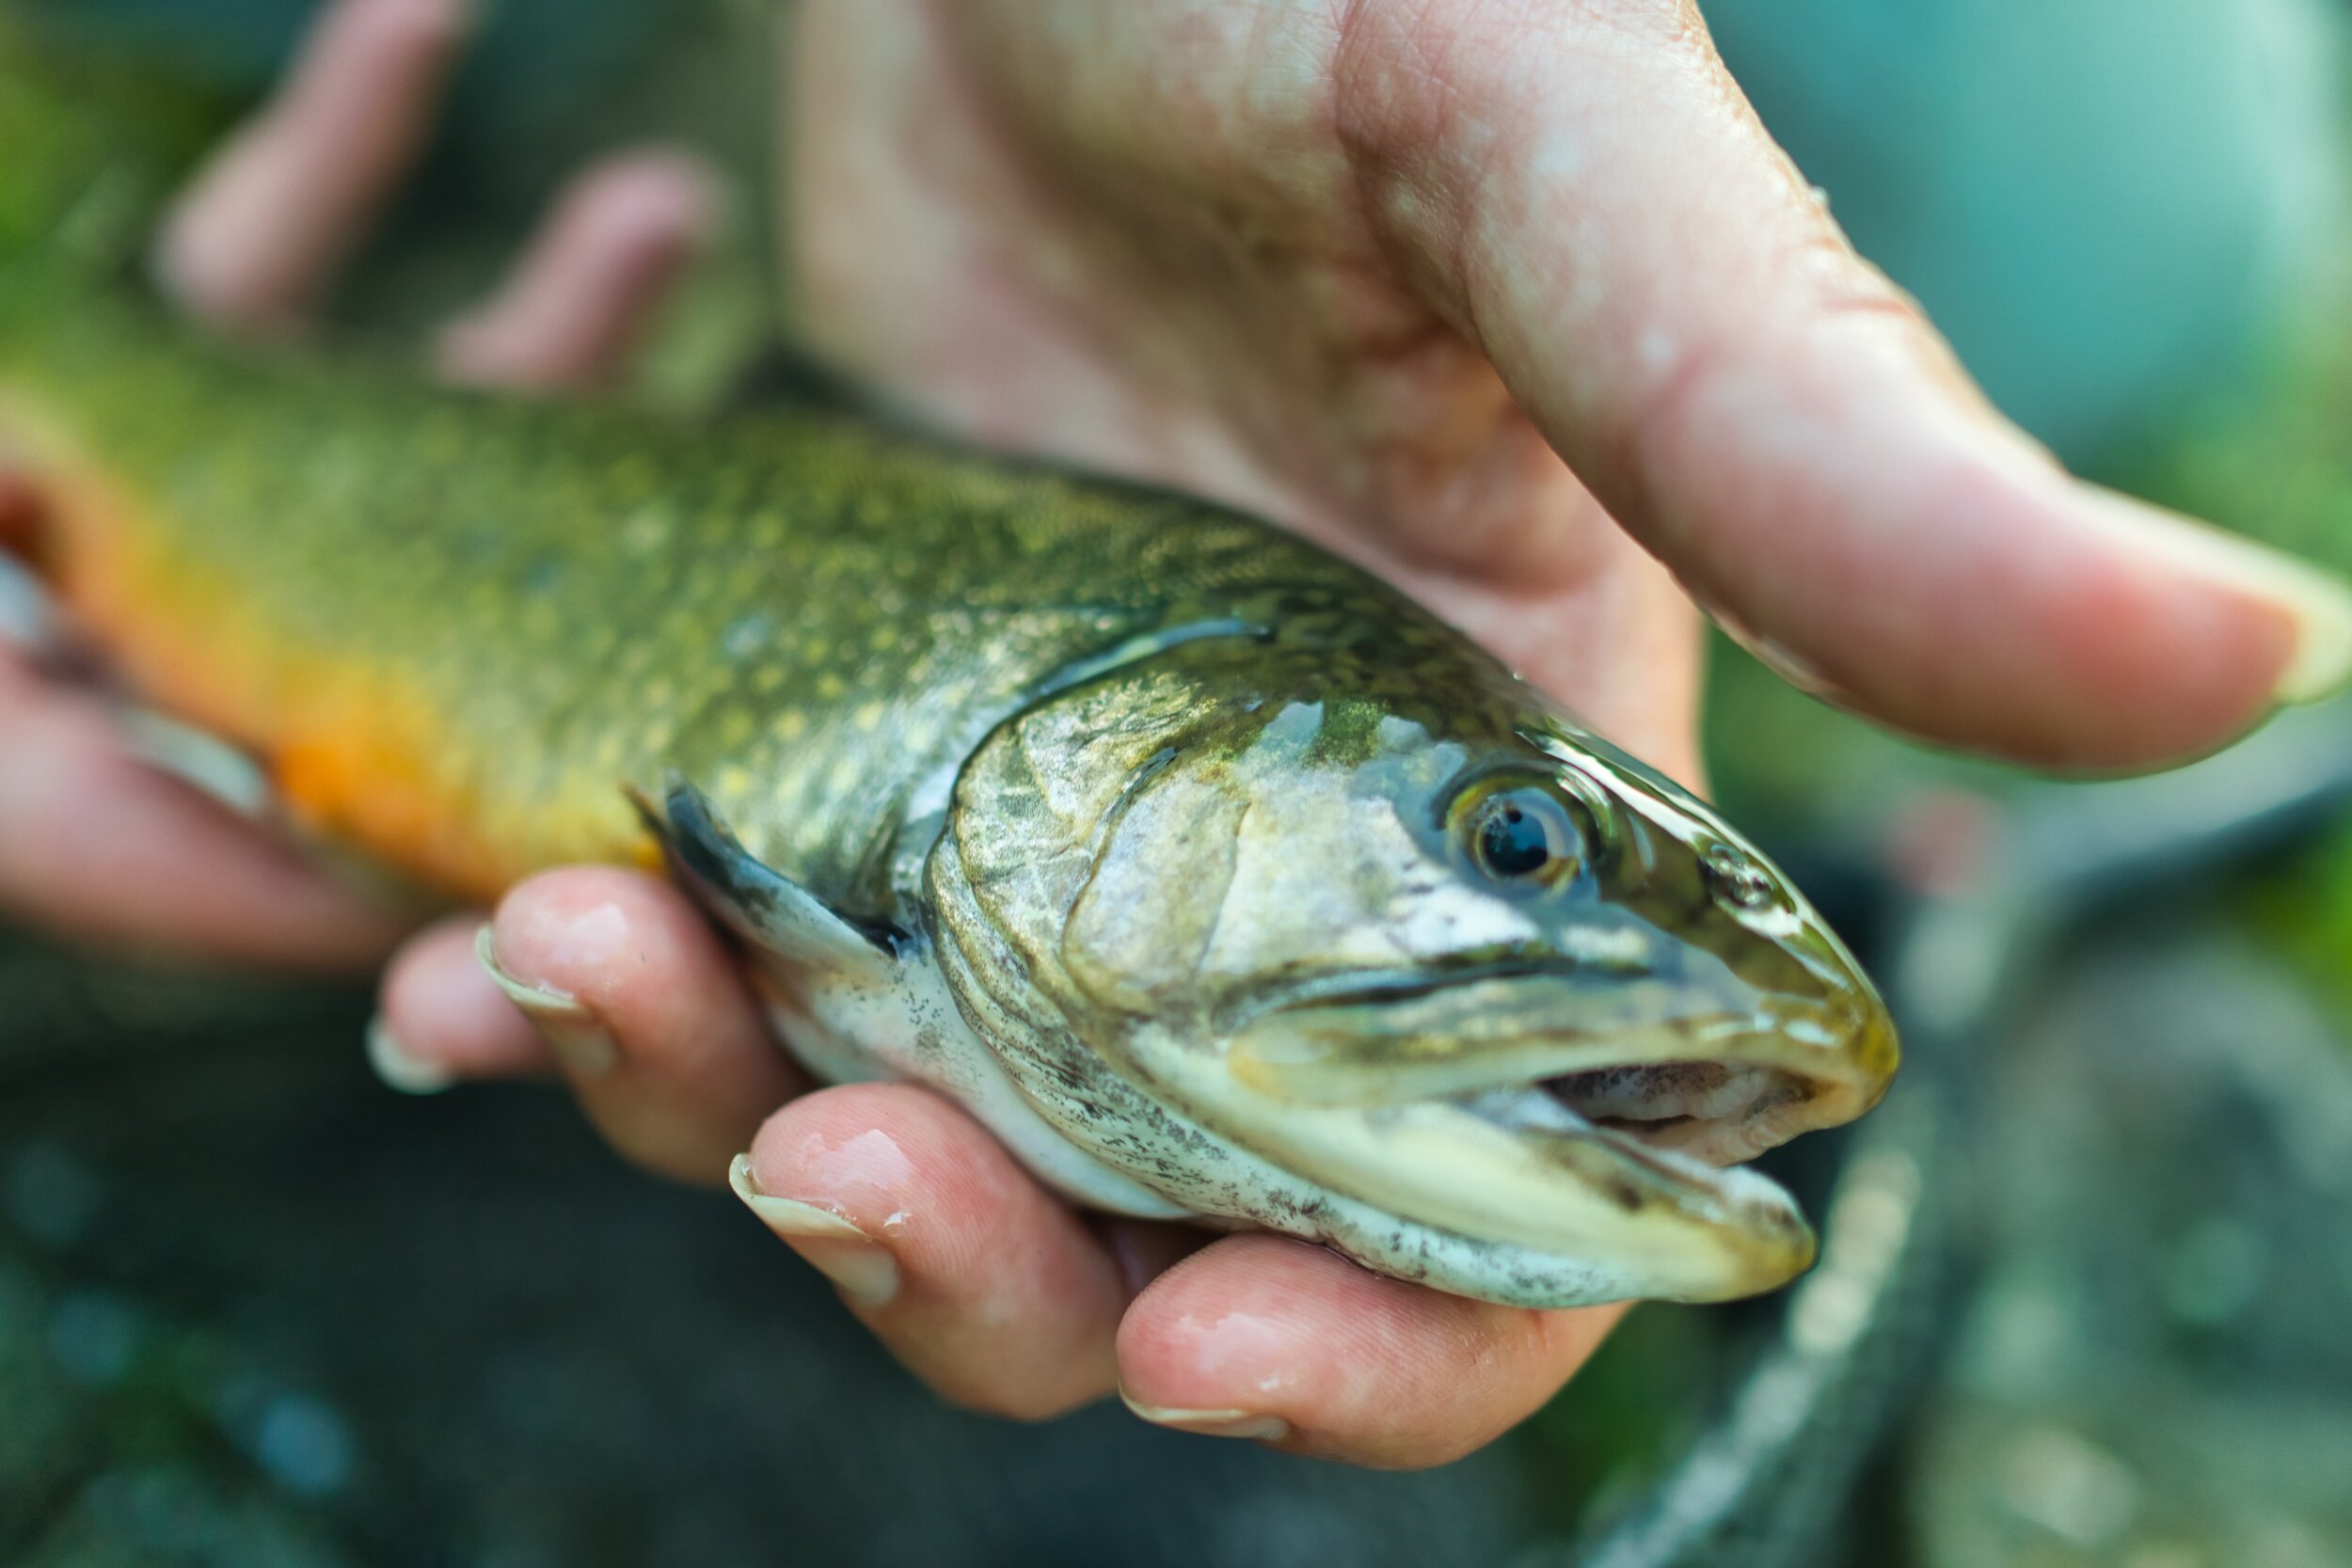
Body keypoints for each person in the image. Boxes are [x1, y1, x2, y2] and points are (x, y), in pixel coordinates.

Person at [4, 0, 2345, 1469]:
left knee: (2129, 240)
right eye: (1510, 849)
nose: (1533, 894)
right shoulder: (895, 854)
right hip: (301, 465)